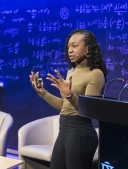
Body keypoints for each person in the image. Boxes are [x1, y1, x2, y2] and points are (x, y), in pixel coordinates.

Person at [29, 29, 108, 169]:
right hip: (64, 130)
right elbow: (64, 106)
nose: (70, 50)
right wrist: (42, 92)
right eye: (68, 47)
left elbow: (89, 110)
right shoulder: (71, 71)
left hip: (80, 133)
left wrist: (70, 94)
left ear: (88, 48)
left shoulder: (96, 74)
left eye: (75, 46)